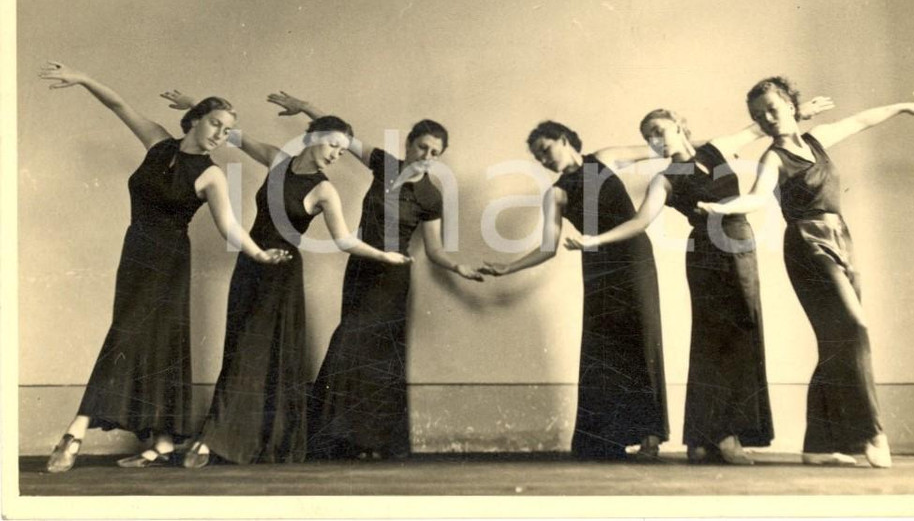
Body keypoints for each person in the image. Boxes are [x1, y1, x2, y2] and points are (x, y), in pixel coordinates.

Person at [40, 63, 289, 473]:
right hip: (135, 252)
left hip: (170, 261)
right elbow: (118, 104)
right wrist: (83, 79)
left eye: (227, 131)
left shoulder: (211, 175)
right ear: (194, 121)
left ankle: (75, 432)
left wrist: (260, 254)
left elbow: (230, 227)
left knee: (131, 337)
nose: (220, 135)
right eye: (215, 124)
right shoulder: (158, 143)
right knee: (149, 340)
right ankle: (163, 443)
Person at [562, 96, 832, 464]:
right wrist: (594, 240)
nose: (656, 140)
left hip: (741, 246)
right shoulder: (665, 180)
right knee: (717, 339)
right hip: (706, 252)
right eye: (649, 137)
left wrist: (798, 114)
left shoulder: (717, 148)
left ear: (678, 125)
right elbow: (639, 222)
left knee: (742, 335)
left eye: (659, 131)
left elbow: (759, 128)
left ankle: (703, 439)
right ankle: (724, 437)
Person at [698, 76, 914, 468]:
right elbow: (758, 197)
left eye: (774, 109)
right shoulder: (772, 159)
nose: (769, 119)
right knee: (854, 329)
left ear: (792, 107)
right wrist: (721, 209)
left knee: (837, 342)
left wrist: (901, 106)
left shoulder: (817, 140)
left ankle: (817, 445)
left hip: (842, 238)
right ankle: (872, 432)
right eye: (760, 116)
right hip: (807, 244)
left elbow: (861, 120)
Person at [159, 91, 412, 468]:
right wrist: (195, 106)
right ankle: (240, 440)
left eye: (342, 152)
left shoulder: (325, 190)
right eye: (331, 145)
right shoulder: (278, 159)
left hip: (282, 278)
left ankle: (212, 440)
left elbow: (344, 240)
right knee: (238, 353)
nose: (335, 155)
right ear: (312, 138)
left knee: (252, 352)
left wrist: (384, 255)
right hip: (250, 266)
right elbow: (234, 135)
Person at [266, 91, 484, 460]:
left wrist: (457, 267)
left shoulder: (431, 196)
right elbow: (342, 138)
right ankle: (337, 443)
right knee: (352, 349)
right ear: (409, 144)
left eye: (435, 153)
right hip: (361, 267)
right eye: (422, 147)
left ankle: (370, 443)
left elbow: (433, 250)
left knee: (374, 356)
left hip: (393, 278)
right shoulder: (385, 164)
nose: (426, 157)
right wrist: (305, 107)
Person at [479, 122, 668, 460]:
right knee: (604, 346)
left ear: (564, 140)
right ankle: (608, 440)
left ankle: (650, 437)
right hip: (597, 265)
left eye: (545, 149)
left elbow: (665, 147)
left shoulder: (607, 158)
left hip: (634, 256)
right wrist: (508, 267)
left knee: (642, 337)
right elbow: (548, 247)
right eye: (537, 157)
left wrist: (710, 150)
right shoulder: (557, 193)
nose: (543, 159)